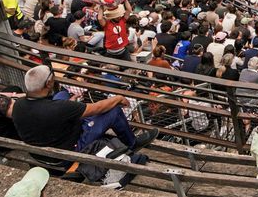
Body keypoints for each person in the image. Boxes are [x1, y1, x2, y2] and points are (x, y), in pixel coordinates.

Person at [11, 64, 155, 157]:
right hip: (70, 150)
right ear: (48, 83)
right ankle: (132, 143)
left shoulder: (17, 105)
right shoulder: (60, 108)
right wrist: (117, 98)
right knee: (114, 111)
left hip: (40, 151)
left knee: (62, 95)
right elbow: (97, 108)